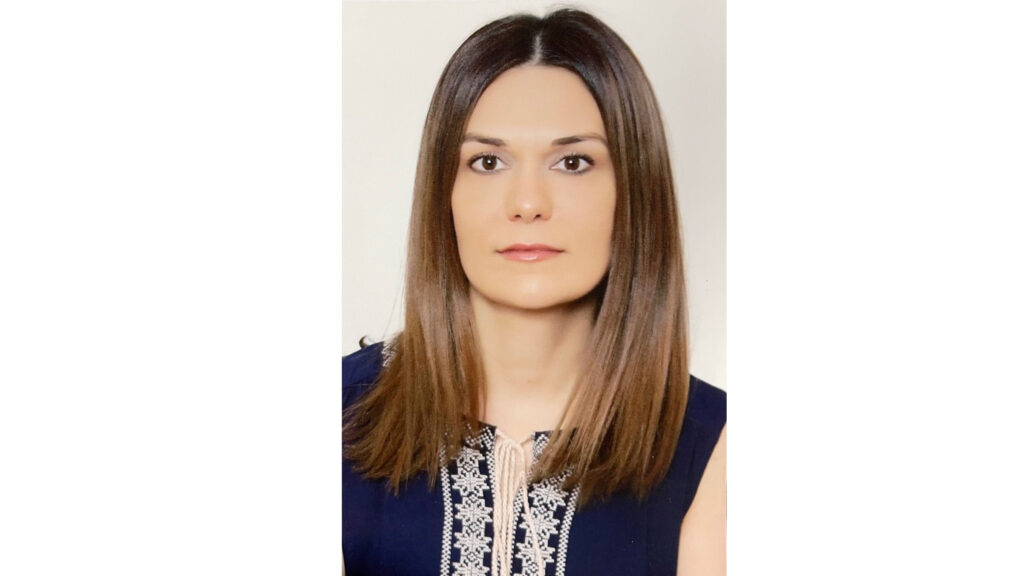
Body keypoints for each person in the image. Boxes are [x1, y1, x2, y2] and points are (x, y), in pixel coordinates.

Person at [343, 8, 725, 575]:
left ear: (634, 194)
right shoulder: (336, 412)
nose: (527, 203)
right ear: (444, 194)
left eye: (573, 162)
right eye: (487, 161)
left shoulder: (715, 446)